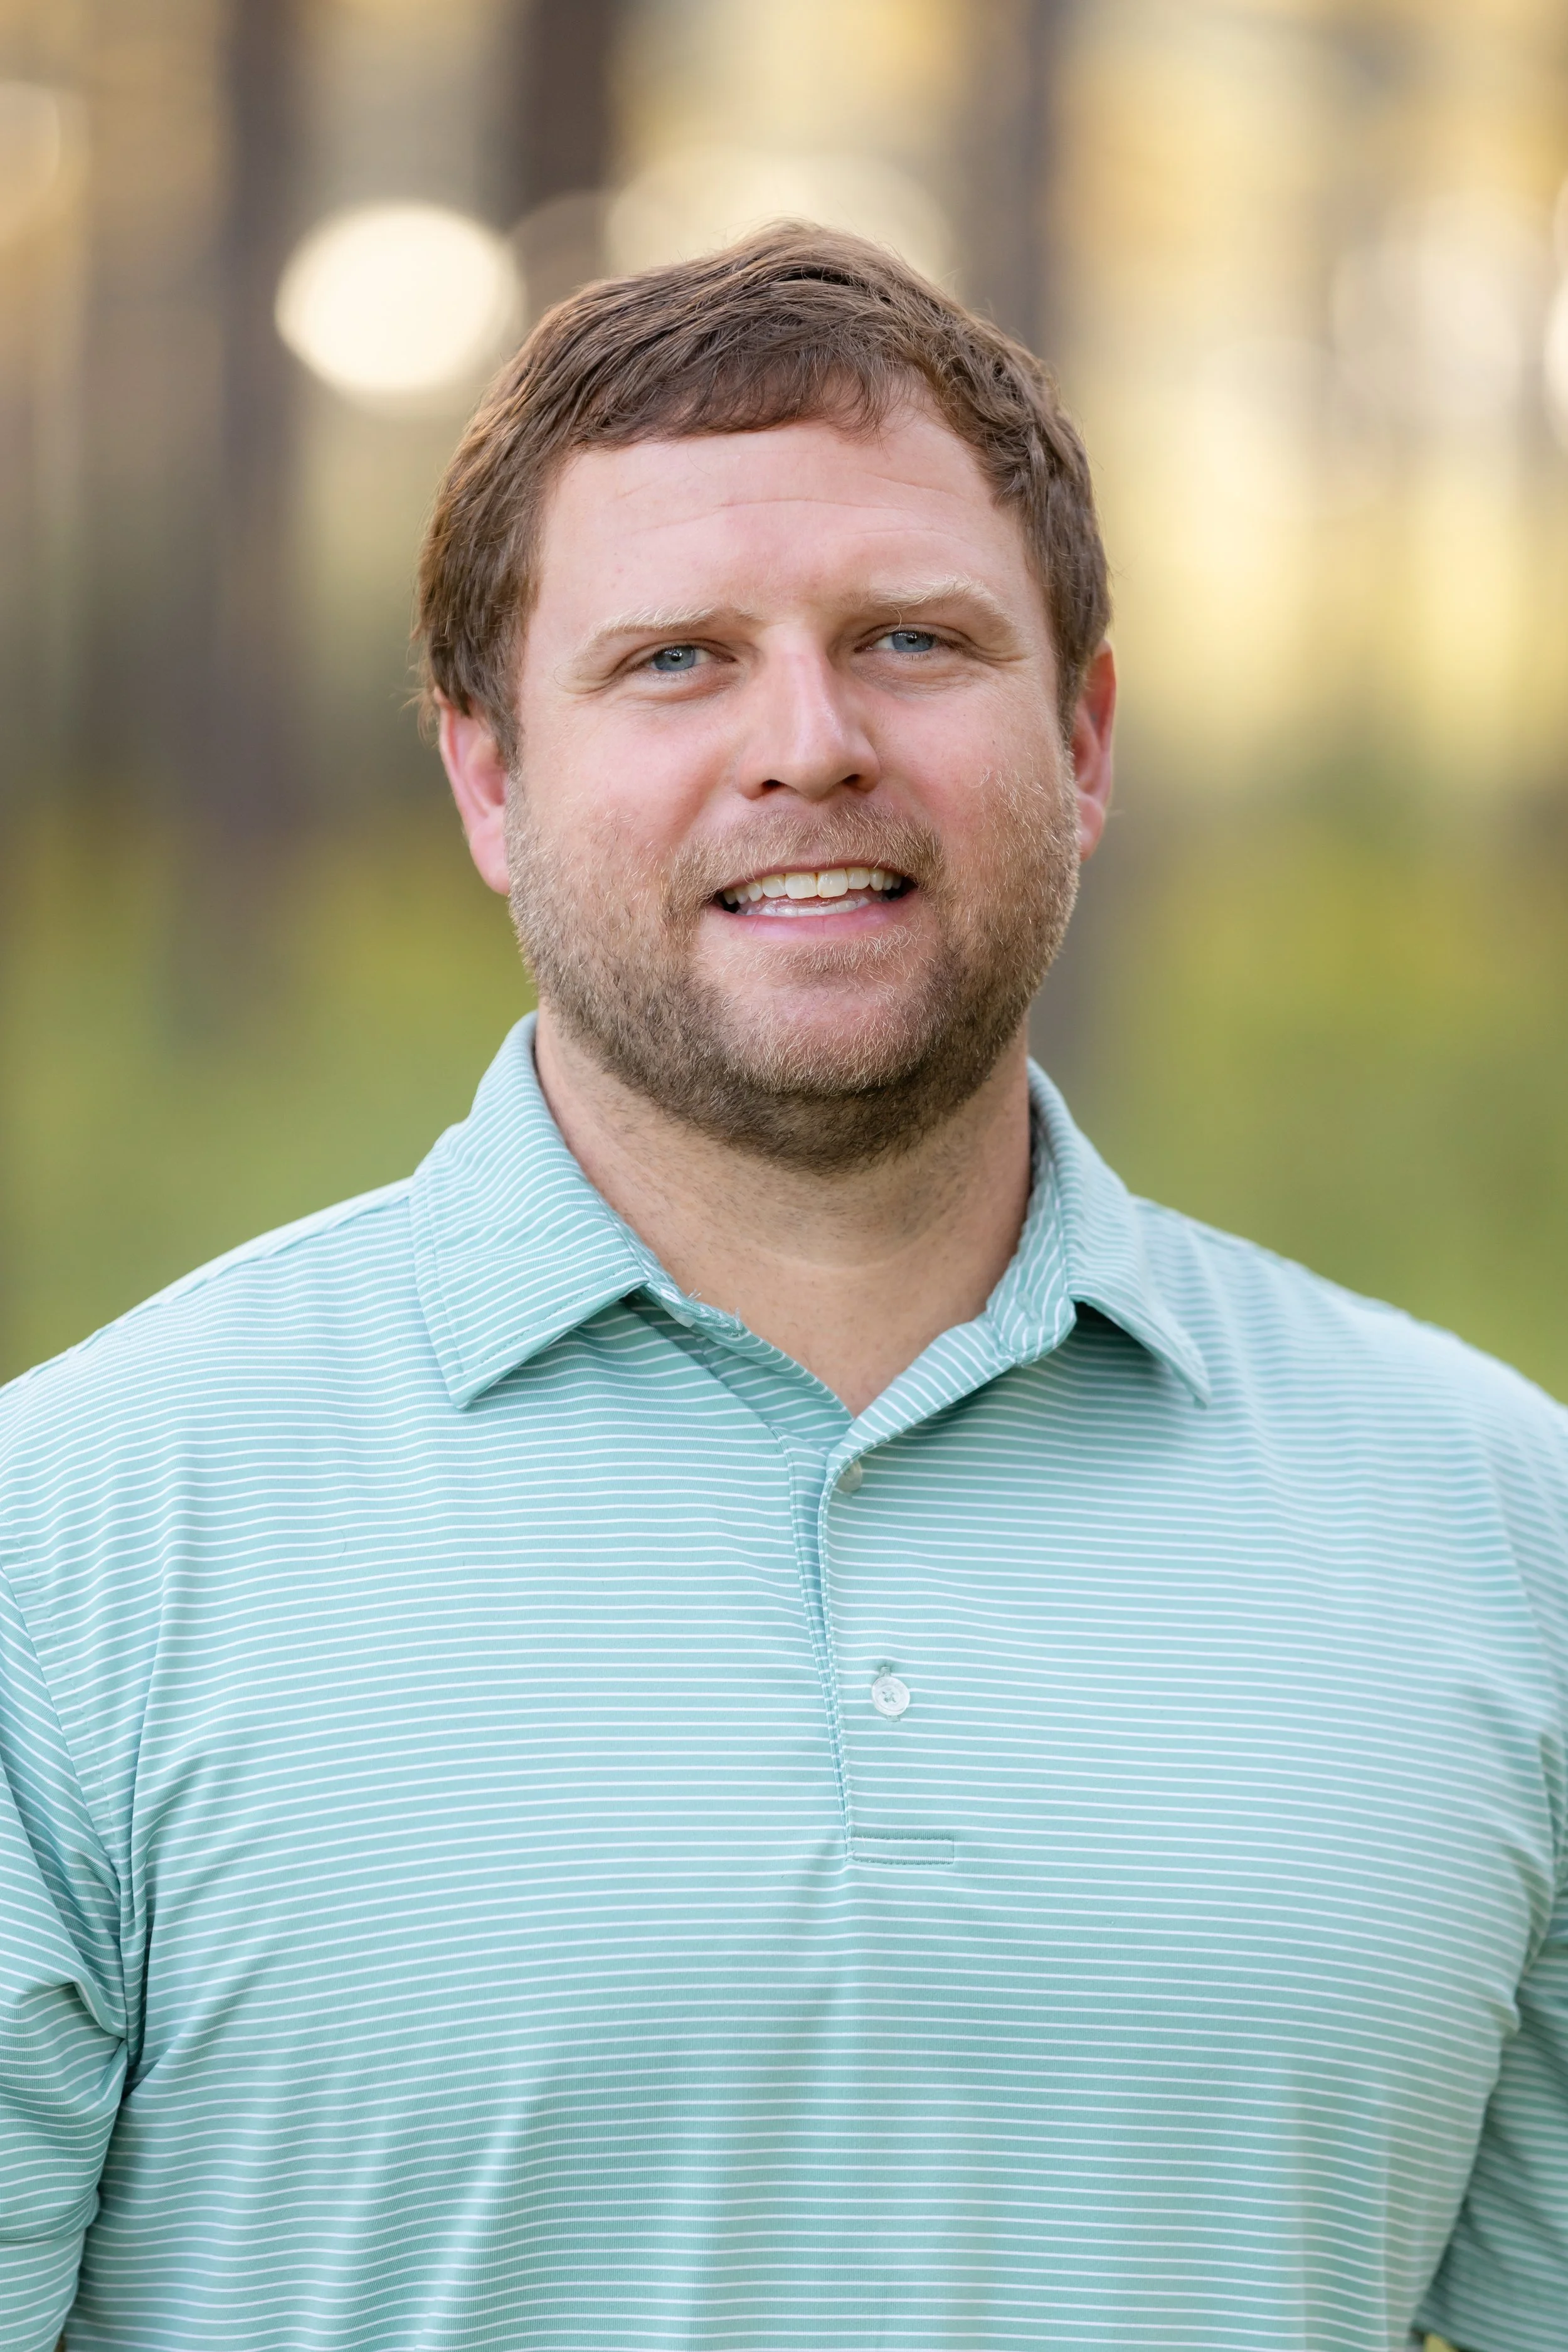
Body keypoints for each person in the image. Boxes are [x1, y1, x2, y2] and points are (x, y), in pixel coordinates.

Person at [0, 226, 1559, 2352]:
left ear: (1085, 741)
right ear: (487, 772)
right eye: (674, 659)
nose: (808, 743)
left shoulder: (1498, 1521)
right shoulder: (72, 1538)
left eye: (913, 639)